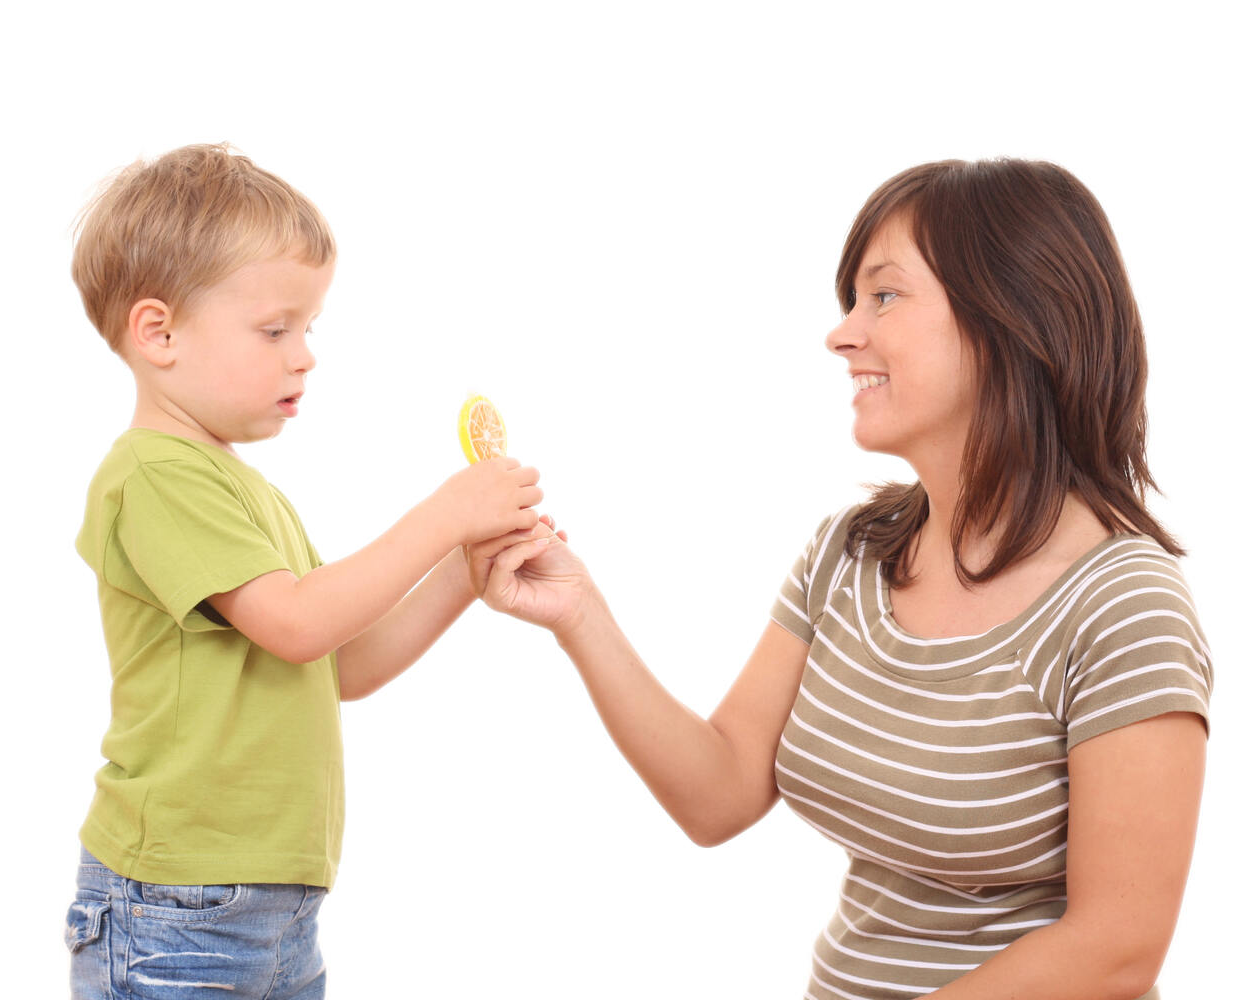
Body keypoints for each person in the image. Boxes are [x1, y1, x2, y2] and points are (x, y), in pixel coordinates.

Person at [470, 158, 1211, 1000]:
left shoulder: (1123, 605)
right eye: (850, 301)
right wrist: (579, 614)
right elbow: (718, 795)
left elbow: (1118, 946)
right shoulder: (853, 551)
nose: (842, 333)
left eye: (884, 296)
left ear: (1011, 317)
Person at [61, 143, 545, 1000]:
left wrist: (462, 572)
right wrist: (443, 515)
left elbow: (339, 662)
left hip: (276, 910)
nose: (305, 355)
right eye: (275, 329)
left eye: (309, 328)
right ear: (159, 332)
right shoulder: (153, 475)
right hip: (179, 907)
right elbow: (298, 622)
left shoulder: (246, 492)